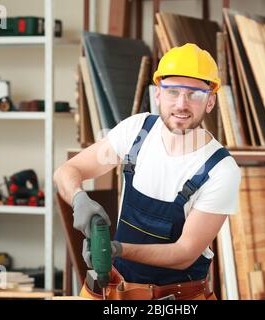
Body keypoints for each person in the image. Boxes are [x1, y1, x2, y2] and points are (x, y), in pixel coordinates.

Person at [54, 43, 241, 300]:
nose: (181, 104)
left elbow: (184, 253)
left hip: (177, 298)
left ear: (210, 101)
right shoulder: (136, 133)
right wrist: (78, 198)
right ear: (158, 95)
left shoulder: (220, 170)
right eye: (172, 91)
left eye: (194, 94)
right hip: (117, 290)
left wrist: (115, 249)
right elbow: (68, 170)